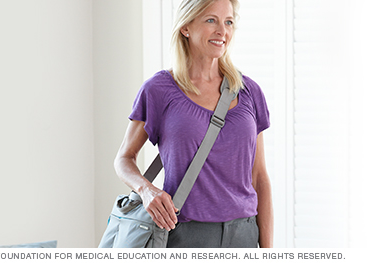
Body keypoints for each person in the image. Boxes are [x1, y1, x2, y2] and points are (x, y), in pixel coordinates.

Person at [114, 0, 273, 248]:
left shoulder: (249, 92)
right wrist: (147, 191)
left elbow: (260, 177)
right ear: (186, 27)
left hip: (244, 233)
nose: (222, 31)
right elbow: (123, 159)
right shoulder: (159, 90)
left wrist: (268, 251)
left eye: (228, 22)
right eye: (211, 20)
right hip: (184, 235)